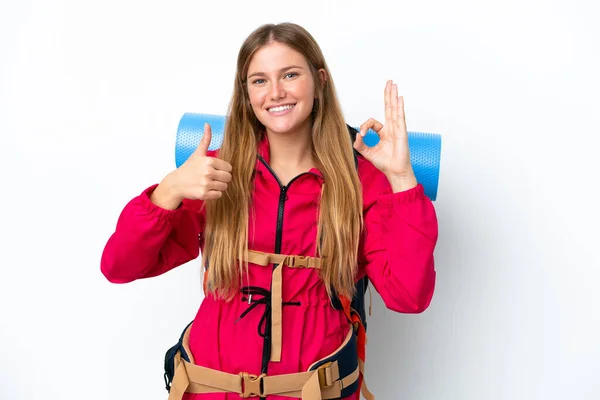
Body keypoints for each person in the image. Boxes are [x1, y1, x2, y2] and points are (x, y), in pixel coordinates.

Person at [101, 22, 438, 400]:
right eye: (259, 80)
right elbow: (119, 266)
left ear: (319, 81)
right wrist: (170, 190)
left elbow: (409, 296)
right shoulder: (214, 171)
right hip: (210, 389)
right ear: (245, 94)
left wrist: (402, 180)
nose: (275, 92)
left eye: (290, 75)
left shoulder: (362, 180)